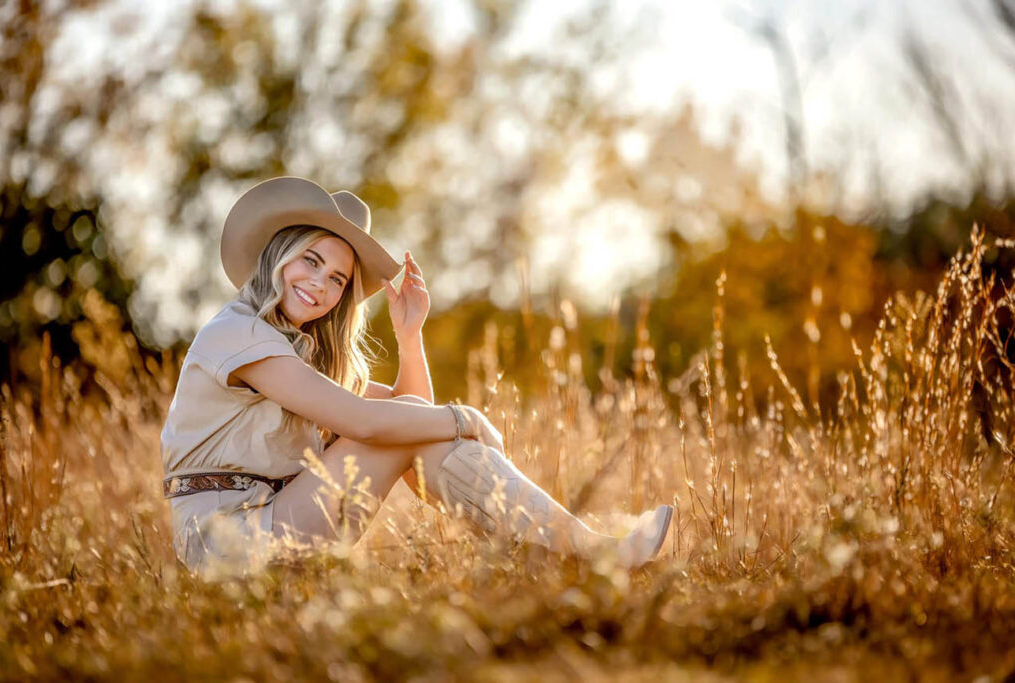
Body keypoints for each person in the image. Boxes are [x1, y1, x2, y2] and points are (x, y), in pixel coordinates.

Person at [159, 176, 672, 577]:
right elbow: (374, 423)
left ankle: (566, 551)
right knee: (404, 422)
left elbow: (412, 423)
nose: (320, 283)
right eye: (310, 260)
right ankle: (582, 549)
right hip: (226, 539)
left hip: (279, 518)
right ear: (277, 255)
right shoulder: (237, 333)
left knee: (411, 423)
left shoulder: (298, 355)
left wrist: (410, 335)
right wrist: (466, 418)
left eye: (337, 278)